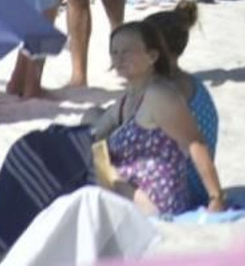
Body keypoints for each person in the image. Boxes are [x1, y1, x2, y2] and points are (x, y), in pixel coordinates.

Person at [90, 21, 224, 215]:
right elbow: (92, 134)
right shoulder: (131, 95)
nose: (119, 59)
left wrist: (216, 197)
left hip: (157, 199)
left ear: (152, 56)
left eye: (127, 52)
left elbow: (195, 143)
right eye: (114, 52)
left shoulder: (158, 94)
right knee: (89, 131)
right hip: (134, 188)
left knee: (91, 162)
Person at [141, 1, 220, 208]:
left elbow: (195, 144)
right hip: (193, 184)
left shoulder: (165, 89)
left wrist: (216, 197)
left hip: (175, 187)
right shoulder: (191, 83)